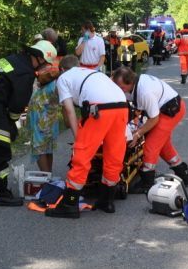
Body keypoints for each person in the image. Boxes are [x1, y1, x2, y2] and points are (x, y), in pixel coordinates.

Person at [0, 39, 57, 206]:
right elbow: (18, 104)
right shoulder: (25, 73)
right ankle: (1, 194)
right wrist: (12, 123)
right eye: (47, 64)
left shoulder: (12, 60)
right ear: (40, 58)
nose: (45, 68)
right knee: (1, 153)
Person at [45, 56, 129, 218]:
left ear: (62, 69)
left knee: (82, 157)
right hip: (121, 106)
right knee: (114, 155)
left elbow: (70, 111)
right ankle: (107, 201)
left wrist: (78, 139)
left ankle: (69, 205)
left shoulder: (63, 78)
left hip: (100, 109)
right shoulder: (89, 72)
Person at [111, 67, 188, 192]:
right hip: (165, 108)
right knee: (163, 145)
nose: (120, 90)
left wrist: (138, 134)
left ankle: (147, 182)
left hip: (170, 111)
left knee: (151, 145)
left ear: (130, 82)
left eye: (121, 87)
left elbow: (154, 119)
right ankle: (182, 171)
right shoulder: (133, 84)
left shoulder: (145, 92)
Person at [27, 63, 61, 173]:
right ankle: (48, 175)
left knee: (40, 150)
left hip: (40, 123)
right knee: (47, 149)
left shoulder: (50, 86)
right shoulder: (53, 84)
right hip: (50, 122)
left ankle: (46, 177)